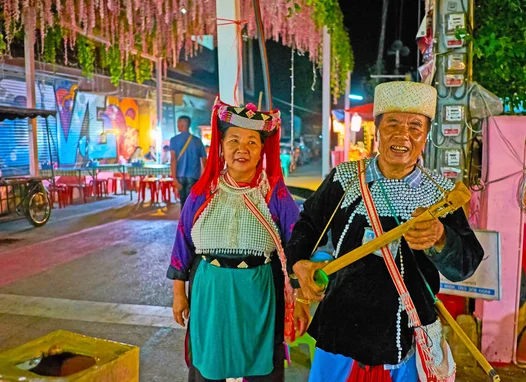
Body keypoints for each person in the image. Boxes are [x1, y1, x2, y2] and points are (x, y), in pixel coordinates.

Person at [285, 81, 484, 381]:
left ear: (426, 136)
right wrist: (297, 263)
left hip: (406, 340)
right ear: (376, 130)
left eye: (415, 126)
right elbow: (307, 225)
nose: (403, 135)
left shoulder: (441, 195)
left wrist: (441, 238)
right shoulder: (345, 179)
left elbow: (466, 262)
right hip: (340, 332)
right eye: (392, 123)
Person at [167, 99, 307, 382]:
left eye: (252, 143)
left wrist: (301, 296)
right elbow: (182, 244)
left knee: (261, 365)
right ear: (221, 147)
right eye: (234, 140)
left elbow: (297, 247)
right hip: (211, 290)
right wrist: (179, 295)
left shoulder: (274, 194)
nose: (242, 149)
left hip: (258, 291)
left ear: (261, 151)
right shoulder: (202, 192)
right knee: (208, 364)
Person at [170, 116, 207, 207]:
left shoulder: (174, 140)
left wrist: (174, 178)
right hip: (194, 176)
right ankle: (191, 220)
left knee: (183, 201)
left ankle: (184, 220)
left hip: (180, 176)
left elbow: (173, 160)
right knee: (192, 202)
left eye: (178, 124)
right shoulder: (197, 141)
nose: (177, 126)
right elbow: (204, 161)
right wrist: (206, 178)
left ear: (182, 125)